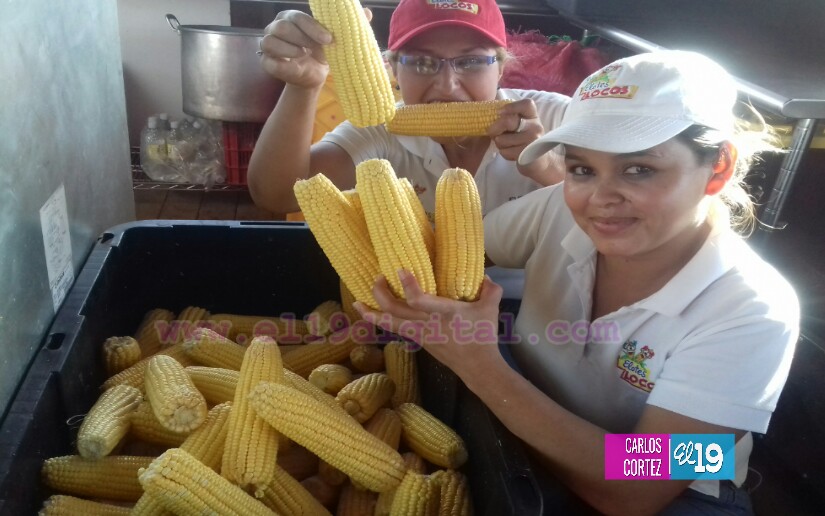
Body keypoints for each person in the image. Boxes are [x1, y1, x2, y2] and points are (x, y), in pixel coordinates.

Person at [354, 50, 800, 515]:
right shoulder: (557, 211)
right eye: (582, 169)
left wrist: (480, 366)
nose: (601, 200)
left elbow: (639, 489)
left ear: (719, 168)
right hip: (523, 429)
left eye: (639, 169)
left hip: (678, 497)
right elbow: (452, 252)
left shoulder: (753, 310)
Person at [248, 0, 570, 218]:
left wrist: (547, 167)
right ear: (393, 71)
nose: (446, 86)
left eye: (471, 61)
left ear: (500, 68)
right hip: (414, 310)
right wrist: (303, 87)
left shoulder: (559, 118)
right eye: (421, 62)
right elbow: (278, 196)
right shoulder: (381, 131)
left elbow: (618, 216)